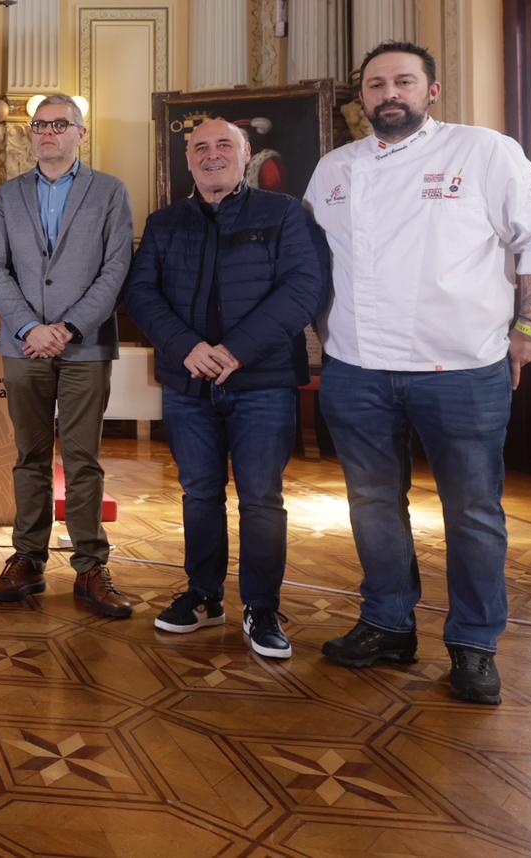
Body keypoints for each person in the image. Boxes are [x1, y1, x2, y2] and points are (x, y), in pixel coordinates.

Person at [306, 40, 531, 705]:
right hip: (357, 368)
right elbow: (309, 263)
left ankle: (475, 645)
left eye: (403, 82)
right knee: (373, 505)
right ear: (362, 97)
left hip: (462, 368)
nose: (389, 94)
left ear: (431, 91)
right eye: (376, 85)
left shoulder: (484, 151)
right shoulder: (334, 169)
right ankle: (388, 623)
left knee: (473, 511)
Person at [125, 118, 329, 658]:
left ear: (245, 156)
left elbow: (304, 289)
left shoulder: (283, 213)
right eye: (200, 147)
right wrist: (187, 347)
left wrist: (236, 350)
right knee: (199, 494)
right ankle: (204, 594)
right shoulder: (165, 222)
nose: (211, 155)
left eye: (223, 146)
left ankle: (261, 606)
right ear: (188, 160)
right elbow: (141, 293)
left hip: (262, 381)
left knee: (261, 498)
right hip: (188, 381)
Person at [0, 94, 134, 616]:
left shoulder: (109, 191)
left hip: (85, 345)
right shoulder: (7, 195)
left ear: (80, 133)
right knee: (29, 456)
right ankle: (28, 559)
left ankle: (90, 567)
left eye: (59, 124)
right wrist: (29, 326)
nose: (47, 132)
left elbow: (115, 269)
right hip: (23, 344)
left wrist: (66, 328)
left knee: (83, 459)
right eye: (40, 125)